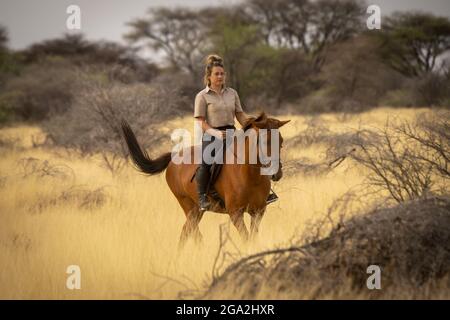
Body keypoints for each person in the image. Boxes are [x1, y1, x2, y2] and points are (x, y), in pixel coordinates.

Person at [194, 54, 278, 211]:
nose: (220, 76)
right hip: (212, 135)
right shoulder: (202, 96)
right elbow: (200, 121)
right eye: (216, 74)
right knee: (206, 163)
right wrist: (215, 133)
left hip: (232, 133)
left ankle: (265, 192)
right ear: (209, 77)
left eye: (222, 74)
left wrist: (252, 124)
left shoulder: (232, 93)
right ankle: (202, 197)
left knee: (255, 153)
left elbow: (239, 114)